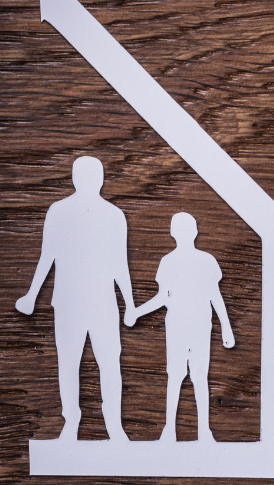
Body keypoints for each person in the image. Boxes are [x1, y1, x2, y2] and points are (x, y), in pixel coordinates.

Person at [16, 156, 137, 442]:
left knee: (99, 362)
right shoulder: (61, 212)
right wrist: (31, 295)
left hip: (100, 300)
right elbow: (48, 255)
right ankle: (74, 424)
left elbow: (120, 263)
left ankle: (113, 427)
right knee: (77, 362)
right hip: (73, 301)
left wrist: (130, 303)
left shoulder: (112, 215)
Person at [128, 211, 234, 442]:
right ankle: (171, 431)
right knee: (178, 377)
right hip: (179, 328)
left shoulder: (204, 261)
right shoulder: (170, 262)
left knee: (195, 377)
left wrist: (226, 327)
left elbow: (215, 295)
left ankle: (203, 431)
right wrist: (137, 312)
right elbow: (163, 297)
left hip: (196, 328)